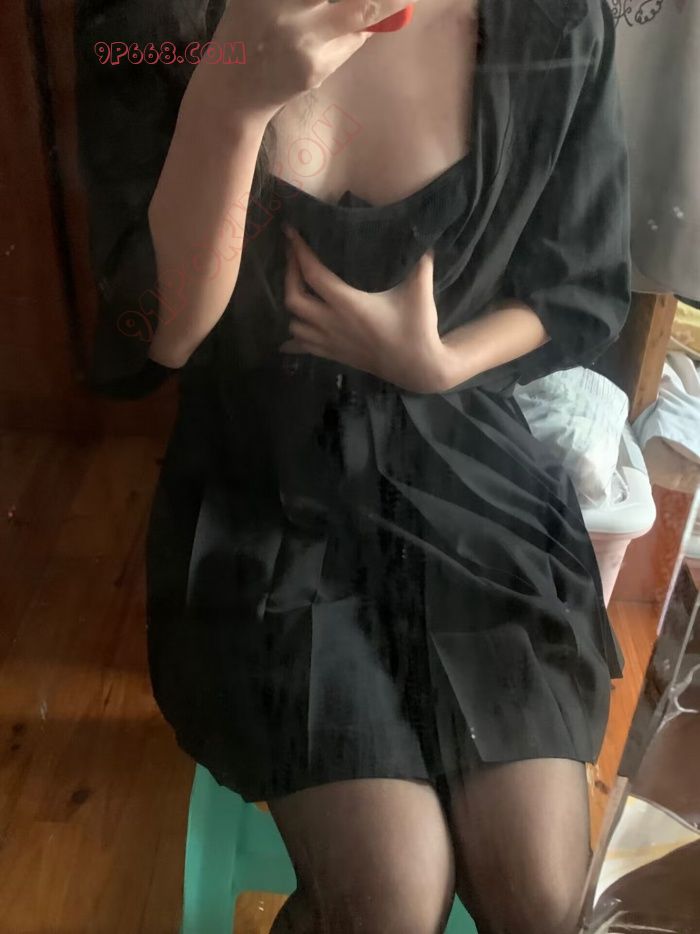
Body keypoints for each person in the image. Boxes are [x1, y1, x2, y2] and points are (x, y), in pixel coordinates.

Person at [74, 0, 631, 931]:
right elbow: (157, 334)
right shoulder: (153, 18)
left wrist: (439, 363)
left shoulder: (552, 18)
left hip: (470, 474)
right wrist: (229, 100)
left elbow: (578, 280)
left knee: (544, 898)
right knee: (389, 896)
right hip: (261, 490)